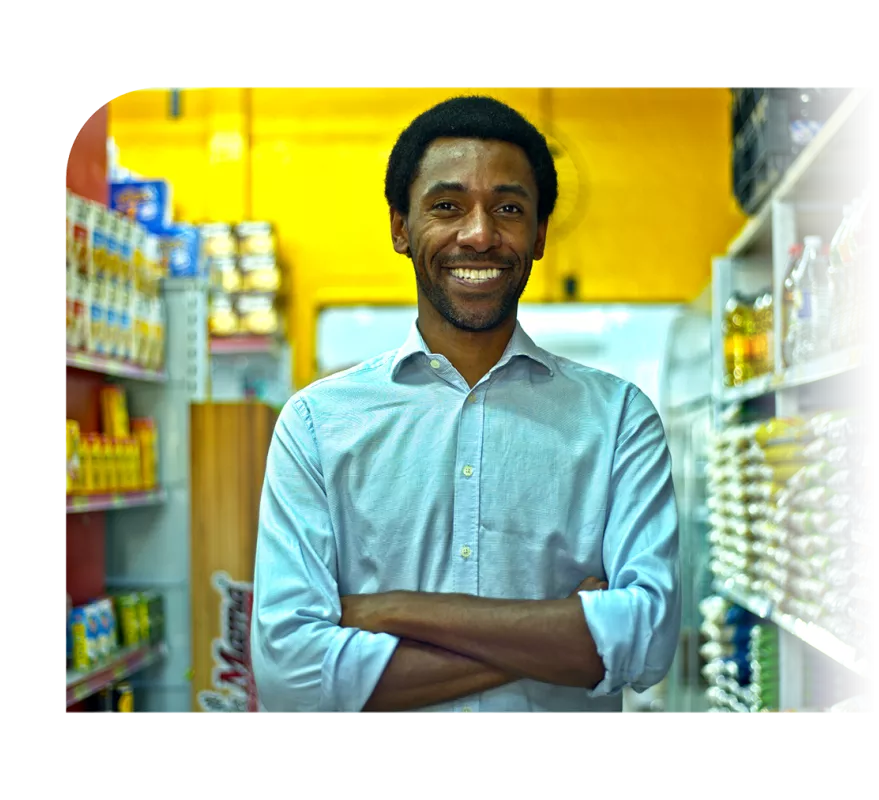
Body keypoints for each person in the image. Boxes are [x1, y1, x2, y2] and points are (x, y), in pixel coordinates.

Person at [250, 95, 681, 713]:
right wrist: (563, 633)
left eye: (507, 208)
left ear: (538, 235)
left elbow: (647, 641)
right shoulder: (317, 425)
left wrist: (389, 613)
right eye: (447, 206)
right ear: (400, 228)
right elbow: (290, 678)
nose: (479, 235)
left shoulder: (617, 420)